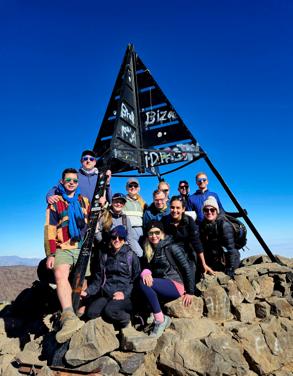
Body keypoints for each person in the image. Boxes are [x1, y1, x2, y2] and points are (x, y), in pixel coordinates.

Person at [44, 168, 90, 343]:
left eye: (75, 180)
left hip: (82, 246)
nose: (71, 182)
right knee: (60, 275)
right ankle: (69, 316)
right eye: (68, 180)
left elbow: (93, 221)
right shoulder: (55, 203)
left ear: (78, 183)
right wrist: (51, 253)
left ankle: (80, 315)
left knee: (83, 280)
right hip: (63, 246)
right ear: (62, 182)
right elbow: (50, 229)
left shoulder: (85, 201)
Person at [140, 220, 194, 339]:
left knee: (143, 284)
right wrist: (145, 272)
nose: (154, 236)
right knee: (143, 280)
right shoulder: (149, 249)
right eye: (150, 233)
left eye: (157, 232)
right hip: (163, 285)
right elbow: (145, 266)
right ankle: (153, 314)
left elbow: (187, 268)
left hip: (175, 285)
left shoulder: (172, 247)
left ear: (162, 232)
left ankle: (160, 320)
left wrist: (190, 291)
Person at [81, 226, 141, 328]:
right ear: (110, 239)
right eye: (114, 237)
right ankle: (111, 323)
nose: (117, 240)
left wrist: (124, 294)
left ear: (124, 239)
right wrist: (87, 292)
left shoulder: (131, 256)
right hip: (107, 295)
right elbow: (98, 281)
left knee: (110, 311)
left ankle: (127, 319)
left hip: (125, 297)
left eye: (120, 237)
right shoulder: (105, 257)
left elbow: (136, 280)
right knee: (91, 313)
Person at [162, 196, 215, 280]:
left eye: (178, 208)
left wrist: (204, 264)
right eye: (172, 207)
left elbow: (196, 242)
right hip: (171, 254)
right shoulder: (164, 221)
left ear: (183, 209)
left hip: (188, 254)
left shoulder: (189, 221)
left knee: (189, 278)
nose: (175, 210)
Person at [46, 149, 113, 207]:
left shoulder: (100, 177)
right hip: (78, 216)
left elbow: (111, 200)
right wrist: (50, 196)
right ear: (81, 161)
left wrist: (107, 183)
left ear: (95, 162)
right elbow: (54, 189)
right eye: (85, 158)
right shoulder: (73, 175)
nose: (88, 161)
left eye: (91, 159)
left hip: (96, 216)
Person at [199, 196, 241, 278]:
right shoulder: (203, 225)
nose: (209, 212)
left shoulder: (224, 224)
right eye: (206, 210)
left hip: (228, 259)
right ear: (203, 211)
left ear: (216, 211)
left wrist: (230, 267)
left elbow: (230, 247)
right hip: (216, 258)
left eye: (212, 210)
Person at [123, 178, 148, 247]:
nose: (133, 187)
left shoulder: (143, 203)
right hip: (128, 231)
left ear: (138, 188)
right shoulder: (122, 201)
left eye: (135, 186)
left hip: (141, 232)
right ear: (126, 188)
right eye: (130, 185)